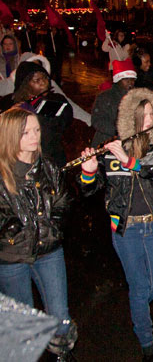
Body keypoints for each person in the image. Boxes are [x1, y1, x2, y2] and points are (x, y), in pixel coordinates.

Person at [77, 88, 153, 361]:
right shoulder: (111, 149)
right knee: (140, 287)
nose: (149, 120)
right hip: (126, 230)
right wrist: (88, 172)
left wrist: (130, 162)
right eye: (144, 116)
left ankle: (137, 306)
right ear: (130, 119)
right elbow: (88, 191)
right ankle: (147, 343)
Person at [0, 108, 77, 357]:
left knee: (61, 319)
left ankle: (61, 353)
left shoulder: (47, 167)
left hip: (49, 251)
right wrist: (13, 229)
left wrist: (51, 225)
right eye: (25, 133)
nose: (34, 137)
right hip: (13, 257)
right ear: (11, 136)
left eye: (36, 130)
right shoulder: (3, 173)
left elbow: (63, 201)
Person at [1, 61, 73, 167]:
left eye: (44, 78)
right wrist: (10, 114)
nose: (43, 82)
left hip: (47, 159)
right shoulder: (8, 102)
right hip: (15, 159)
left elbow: (64, 121)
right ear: (24, 83)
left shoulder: (56, 100)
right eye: (37, 80)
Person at [91, 58, 137, 146]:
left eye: (132, 79)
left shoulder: (137, 96)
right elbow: (97, 120)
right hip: (107, 141)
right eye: (126, 79)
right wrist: (117, 130)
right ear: (118, 80)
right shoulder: (105, 97)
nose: (130, 83)